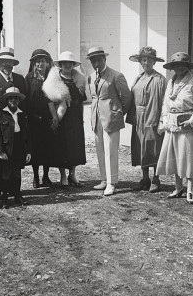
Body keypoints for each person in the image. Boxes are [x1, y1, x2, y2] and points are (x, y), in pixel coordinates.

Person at [157, 52, 193, 204]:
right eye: (176, 65)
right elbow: (165, 104)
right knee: (175, 156)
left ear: (187, 66)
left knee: (187, 158)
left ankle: (190, 189)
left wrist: (192, 119)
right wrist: (164, 119)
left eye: (182, 65)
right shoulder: (170, 83)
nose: (179, 67)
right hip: (172, 125)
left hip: (187, 126)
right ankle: (178, 187)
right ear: (172, 68)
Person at [0, 47, 28, 201]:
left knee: (14, 157)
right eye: (4, 61)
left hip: (14, 125)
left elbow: (24, 103)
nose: (7, 65)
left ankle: (13, 189)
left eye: (10, 62)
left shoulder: (19, 79)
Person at [86, 46, 132, 196]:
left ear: (105, 59)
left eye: (99, 59)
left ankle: (112, 183)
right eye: (93, 61)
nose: (96, 63)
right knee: (100, 149)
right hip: (96, 118)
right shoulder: (91, 76)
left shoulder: (116, 76)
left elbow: (126, 98)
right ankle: (104, 179)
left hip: (111, 119)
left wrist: (118, 113)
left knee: (111, 151)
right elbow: (94, 97)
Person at [43, 50, 88, 186]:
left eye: (70, 63)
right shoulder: (54, 80)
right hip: (62, 117)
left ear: (73, 64)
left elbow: (82, 99)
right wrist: (55, 118)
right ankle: (63, 176)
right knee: (62, 146)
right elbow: (50, 101)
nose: (67, 65)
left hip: (75, 118)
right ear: (60, 65)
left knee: (75, 147)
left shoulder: (78, 79)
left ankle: (72, 175)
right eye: (64, 63)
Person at [126, 47, 167, 193]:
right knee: (140, 149)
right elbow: (132, 98)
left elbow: (164, 102)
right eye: (143, 60)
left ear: (154, 62)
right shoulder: (138, 78)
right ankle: (145, 178)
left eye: (149, 60)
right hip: (139, 119)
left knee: (153, 149)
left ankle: (156, 179)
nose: (146, 62)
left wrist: (162, 120)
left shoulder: (160, 80)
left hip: (152, 119)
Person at [25, 49, 64, 188]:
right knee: (35, 150)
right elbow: (26, 101)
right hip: (34, 120)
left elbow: (55, 99)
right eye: (37, 62)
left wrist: (55, 117)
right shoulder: (29, 78)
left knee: (47, 149)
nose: (40, 64)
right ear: (34, 64)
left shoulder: (51, 78)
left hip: (48, 119)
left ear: (47, 63)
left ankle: (45, 176)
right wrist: (33, 116)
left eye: (42, 61)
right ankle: (36, 177)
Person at [0, 86, 31, 206]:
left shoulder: (22, 115)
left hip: (19, 145)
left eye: (15, 99)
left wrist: (28, 151)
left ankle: (17, 195)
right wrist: (0, 151)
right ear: (7, 100)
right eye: (10, 99)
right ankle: (4, 197)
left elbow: (27, 134)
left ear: (19, 101)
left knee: (17, 172)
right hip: (7, 147)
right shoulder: (1, 115)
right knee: (6, 173)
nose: (13, 101)